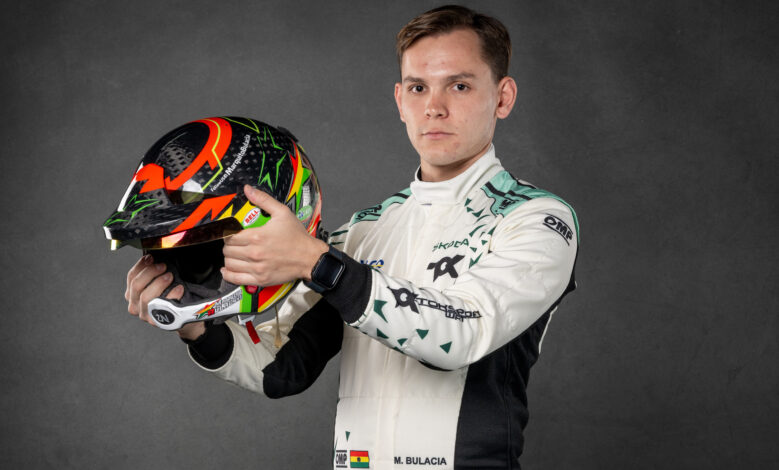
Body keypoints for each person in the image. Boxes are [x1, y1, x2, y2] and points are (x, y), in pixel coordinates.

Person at [125, 5, 579, 469]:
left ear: (503, 97)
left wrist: (317, 263)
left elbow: (461, 335)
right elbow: (280, 368)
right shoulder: (364, 231)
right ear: (401, 100)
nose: (434, 107)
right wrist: (193, 323)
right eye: (419, 87)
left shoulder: (536, 219)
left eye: (459, 85)